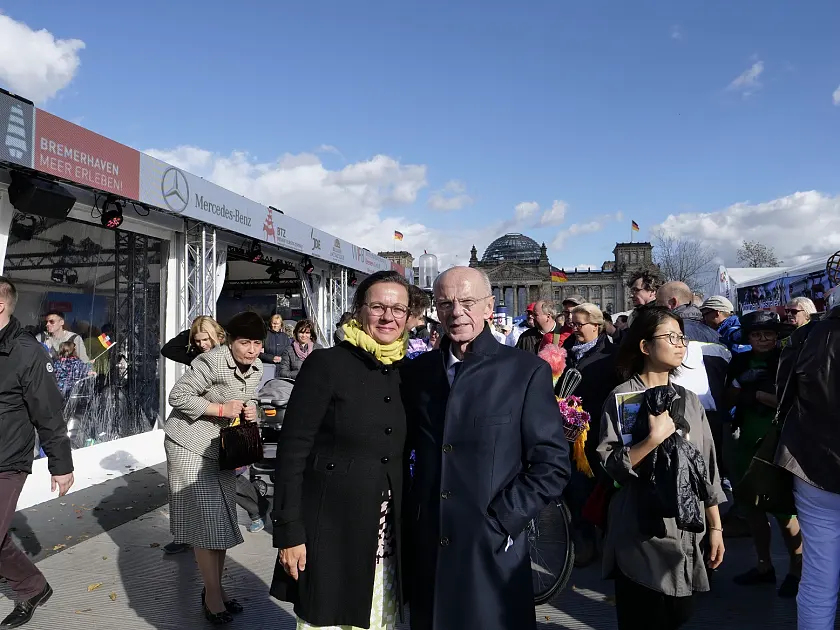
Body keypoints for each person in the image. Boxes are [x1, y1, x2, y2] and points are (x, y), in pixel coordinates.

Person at [401, 266, 570, 630]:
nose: (456, 312)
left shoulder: (524, 371)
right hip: (431, 546)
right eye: (445, 303)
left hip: (492, 548)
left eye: (467, 301)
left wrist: (502, 520)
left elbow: (551, 464)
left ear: (489, 306)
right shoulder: (418, 372)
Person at [270, 270, 411, 629]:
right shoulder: (326, 364)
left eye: (398, 309)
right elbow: (292, 451)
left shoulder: (408, 371)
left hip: (386, 541)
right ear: (359, 311)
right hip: (330, 532)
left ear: (409, 316)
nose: (388, 316)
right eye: (377, 306)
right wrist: (289, 531)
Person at [598, 306, 725, 629]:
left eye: (681, 337)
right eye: (670, 337)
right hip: (640, 529)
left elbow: (707, 468)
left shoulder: (689, 399)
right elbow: (611, 465)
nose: (680, 344)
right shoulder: (622, 398)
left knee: (679, 613)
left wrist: (716, 527)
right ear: (645, 346)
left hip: (686, 525)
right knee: (644, 616)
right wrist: (652, 439)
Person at [163, 311, 265, 624]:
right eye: (245, 342)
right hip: (188, 445)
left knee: (220, 522)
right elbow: (177, 396)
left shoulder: (257, 367)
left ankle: (215, 591)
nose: (251, 349)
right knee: (208, 523)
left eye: (257, 343)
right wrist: (219, 408)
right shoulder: (211, 362)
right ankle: (212, 597)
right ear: (230, 340)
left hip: (221, 449)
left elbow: (247, 401)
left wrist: (252, 412)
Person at [0, 276, 74, 629]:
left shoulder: (27, 351)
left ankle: (29, 588)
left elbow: (47, 410)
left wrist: (60, 464)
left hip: (7, 459)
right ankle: (33, 587)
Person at [775, 289, 840, 628]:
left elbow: (783, 398)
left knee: (818, 574)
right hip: (813, 462)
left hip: (812, 464)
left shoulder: (804, 338)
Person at [727, 311, 801, 597]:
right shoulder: (741, 361)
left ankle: (797, 570)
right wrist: (740, 387)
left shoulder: (787, 360)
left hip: (778, 441)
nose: (763, 339)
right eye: (757, 334)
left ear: (776, 335)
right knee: (752, 509)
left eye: (768, 333)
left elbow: (788, 402)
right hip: (747, 439)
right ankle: (764, 567)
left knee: (784, 510)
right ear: (748, 338)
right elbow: (727, 398)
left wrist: (755, 394)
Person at [561, 303, 620, 567]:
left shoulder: (612, 355)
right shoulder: (564, 353)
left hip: (599, 431)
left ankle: (609, 543)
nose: (574, 328)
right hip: (569, 436)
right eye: (572, 323)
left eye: (579, 324)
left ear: (596, 325)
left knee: (603, 490)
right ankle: (583, 543)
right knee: (575, 490)